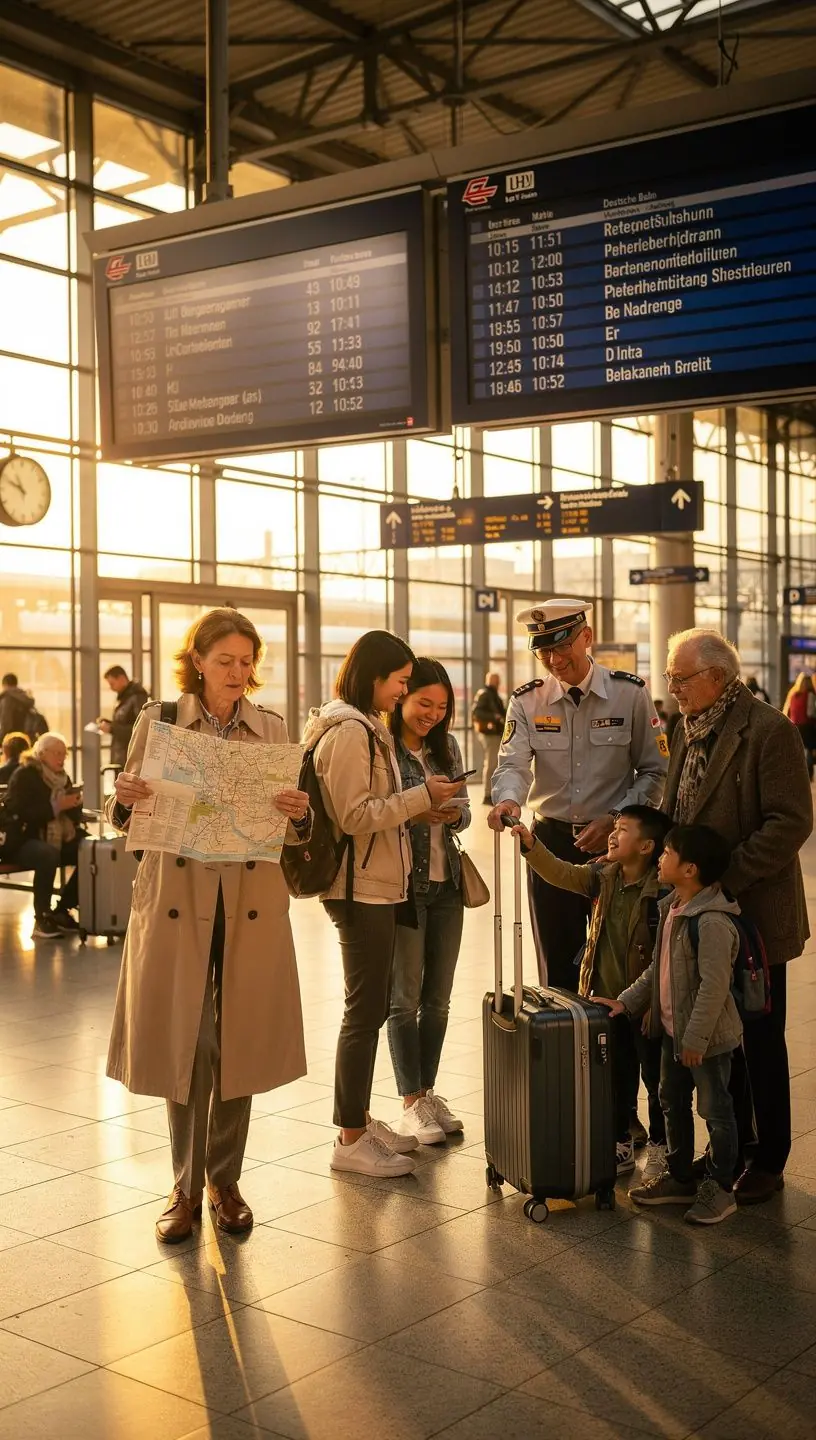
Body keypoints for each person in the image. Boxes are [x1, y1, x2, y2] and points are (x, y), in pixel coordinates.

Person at [106, 607, 311, 1244]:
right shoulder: (160, 721)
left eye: (247, 662)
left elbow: (298, 833)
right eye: (225, 660)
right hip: (178, 900)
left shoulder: (273, 727)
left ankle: (225, 1181)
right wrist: (127, 799)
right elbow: (124, 819)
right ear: (197, 661)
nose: (238, 672)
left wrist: (299, 814)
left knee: (239, 1044)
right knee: (188, 1046)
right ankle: (184, 1186)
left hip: (248, 902)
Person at [301, 631, 462, 1179]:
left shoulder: (363, 727)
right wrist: (423, 799)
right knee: (364, 1014)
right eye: (400, 681)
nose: (402, 692)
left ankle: (360, 1118)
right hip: (359, 888)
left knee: (367, 1011)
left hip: (375, 884)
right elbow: (354, 815)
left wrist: (421, 806)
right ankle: (349, 1137)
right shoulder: (349, 732)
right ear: (376, 675)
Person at [662, 627, 813, 1204]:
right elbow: (677, 807)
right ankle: (735, 1141)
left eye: (681, 677)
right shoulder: (687, 727)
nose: (672, 687)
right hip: (701, 912)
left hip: (753, 914)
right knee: (723, 1036)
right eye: (671, 677)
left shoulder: (770, 731)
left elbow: (791, 821)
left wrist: (723, 878)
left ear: (717, 678)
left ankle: (769, 1158)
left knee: (761, 1038)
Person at [488, 599, 668, 990]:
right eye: (543, 651)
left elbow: (655, 771)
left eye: (561, 645)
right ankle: (565, 1046)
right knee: (556, 963)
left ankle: (615, 1047)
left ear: (587, 637)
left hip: (617, 845)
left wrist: (617, 819)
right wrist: (507, 799)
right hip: (549, 844)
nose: (553, 659)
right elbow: (514, 765)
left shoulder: (630, 694)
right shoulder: (526, 701)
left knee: (621, 957)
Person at [511, 804, 671, 1181]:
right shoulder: (602, 876)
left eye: (624, 829)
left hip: (646, 1007)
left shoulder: (661, 895)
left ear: (647, 846)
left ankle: (664, 1147)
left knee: (656, 1078)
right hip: (606, 1004)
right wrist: (532, 845)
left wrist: (645, 1002)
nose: (613, 835)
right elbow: (561, 874)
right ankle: (619, 1143)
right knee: (615, 1077)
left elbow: (662, 959)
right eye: (615, 827)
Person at [602, 823, 742, 1227]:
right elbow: (655, 971)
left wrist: (696, 1037)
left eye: (667, 853)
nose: (660, 858)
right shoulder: (671, 907)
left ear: (690, 868)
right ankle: (681, 1178)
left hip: (706, 1040)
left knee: (716, 1111)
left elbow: (714, 988)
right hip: (672, 1033)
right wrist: (626, 1003)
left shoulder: (712, 922)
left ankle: (722, 1186)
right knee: (672, 1102)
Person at [387, 658, 471, 1145]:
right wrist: (421, 807)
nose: (432, 715)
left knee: (438, 999)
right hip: (405, 885)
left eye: (441, 707)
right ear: (401, 698)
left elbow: (461, 819)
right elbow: (377, 814)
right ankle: (410, 1102)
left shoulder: (448, 746)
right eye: (424, 703)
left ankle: (427, 1091)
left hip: (447, 885)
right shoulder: (383, 748)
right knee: (405, 997)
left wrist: (450, 813)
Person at [0, 732, 85, 938]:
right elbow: (20, 813)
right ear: (41, 753)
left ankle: (62, 909)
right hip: (22, 840)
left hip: (54, 837)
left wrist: (74, 805)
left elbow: (72, 816)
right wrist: (56, 807)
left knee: (89, 848)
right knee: (47, 854)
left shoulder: (62, 778)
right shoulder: (25, 775)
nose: (61, 758)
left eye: (64, 754)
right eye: (57, 753)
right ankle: (41, 916)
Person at [99, 666, 149, 770]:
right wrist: (110, 724)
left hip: (130, 758)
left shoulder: (137, 696)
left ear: (121, 678)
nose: (111, 688)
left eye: (112, 683)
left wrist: (112, 728)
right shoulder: (125, 697)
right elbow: (125, 722)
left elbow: (140, 729)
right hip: (123, 757)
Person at [471, 671, 506, 804]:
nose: (497, 683)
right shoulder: (485, 694)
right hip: (490, 734)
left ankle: (493, 793)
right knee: (491, 764)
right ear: (489, 680)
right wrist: (495, 717)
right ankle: (487, 795)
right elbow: (477, 712)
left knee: (494, 764)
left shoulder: (493, 695)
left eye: (497, 680)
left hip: (495, 734)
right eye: (495, 680)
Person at [783, 671, 816, 781]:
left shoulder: (793, 694)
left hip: (794, 725)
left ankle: (795, 773)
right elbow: (811, 712)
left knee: (797, 750)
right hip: (807, 726)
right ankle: (808, 774)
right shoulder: (810, 694)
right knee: (808, 749)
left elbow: (786, 711)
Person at [0, 673, 46, 744]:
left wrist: (2, 739)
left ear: (4, 684)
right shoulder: (24, 697)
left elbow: (6, 724)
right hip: (27, 739)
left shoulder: (7, 699)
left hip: (12, 740)